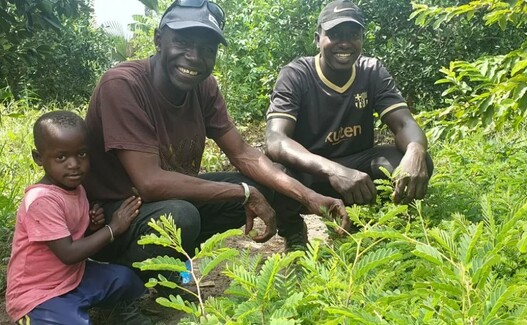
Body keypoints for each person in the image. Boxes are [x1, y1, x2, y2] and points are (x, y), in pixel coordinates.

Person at [84, 0, 348, 280]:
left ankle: (172, 259)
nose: (195, 57)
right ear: (159, 40)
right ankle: (127, 276)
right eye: (183, 42)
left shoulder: (204, 87)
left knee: (264, 183)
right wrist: (243, 193)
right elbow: (149, 183)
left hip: (160, 203)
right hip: (109, 219)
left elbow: (243, 153)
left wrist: (309, 196)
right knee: (182, 214)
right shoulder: (123, 85)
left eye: (208, 49)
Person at [265, 0, 434, 249]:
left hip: (358, 168)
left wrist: (416, 150)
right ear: (317, 38)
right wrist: (333, 170)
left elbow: (402, 123)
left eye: (352, 34)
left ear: (361, 39)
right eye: (334, 34)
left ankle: (376, 225)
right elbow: (275, 140)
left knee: (412, 161)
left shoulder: (372, 71)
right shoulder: (296, 75)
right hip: (309, 170)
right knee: (272, 174)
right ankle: (293, 232)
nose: (344, 42)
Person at [5, 111, 150, 324]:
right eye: (61, 157)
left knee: (125, 279)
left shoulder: (76, 187)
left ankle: (107, 310)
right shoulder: (41, 200)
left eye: (81, 154)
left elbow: (72, 233)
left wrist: (92, 225)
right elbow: (68, 252)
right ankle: (34, 318)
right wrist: (112, 228)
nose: (74, 164)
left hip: (74, 277)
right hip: (38, 294)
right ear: (38, 158)